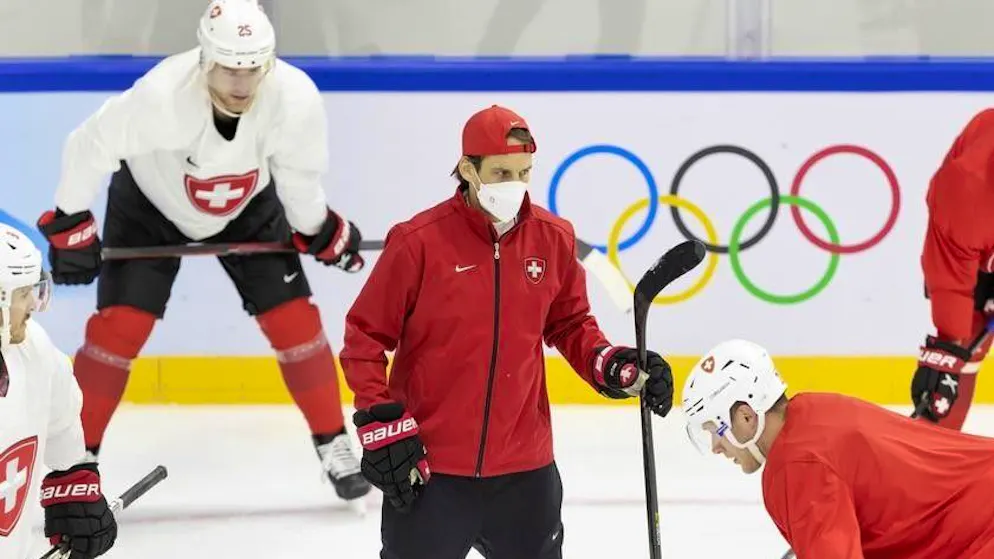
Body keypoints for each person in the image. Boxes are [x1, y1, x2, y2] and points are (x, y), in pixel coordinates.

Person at [34, 0, 369, 501]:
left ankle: (333, 443)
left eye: (253, 69)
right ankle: (75, 461)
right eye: (229, 70)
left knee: (295, 320)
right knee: (119, 329)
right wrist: (71, 221)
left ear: (269, 63)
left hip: (251, 204)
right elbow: (89, 144)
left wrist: (318, 228)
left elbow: (299, 179)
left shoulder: (295, 98)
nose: (241, 84)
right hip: (149, 205)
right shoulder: (162, 97)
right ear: (204, 61)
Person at [339, 104, 675, 559]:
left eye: (524, 172)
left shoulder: (553, 237)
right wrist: (383, 424)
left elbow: (571, 324)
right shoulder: (417, 241)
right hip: (432, 473)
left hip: (525, 473)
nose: (514, 186)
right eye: (500, 172)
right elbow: (364, 339)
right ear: (467, 169)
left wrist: (612, 365)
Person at [681, 338, 994, 558]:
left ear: (747, 415)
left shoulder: (796, 465)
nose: (716, 447)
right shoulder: (810, 409)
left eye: (715, 430)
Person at [0, 223, 118, 559]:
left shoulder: (36, 350)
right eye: (24, 294)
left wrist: (74, 490)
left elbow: (62, 427)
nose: (33, 305)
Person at [911, 107, 994, 430]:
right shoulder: (965, 191)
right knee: (955, 359)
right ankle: (934, 455)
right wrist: (950, 350)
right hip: (969, 248)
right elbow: (951, 284)